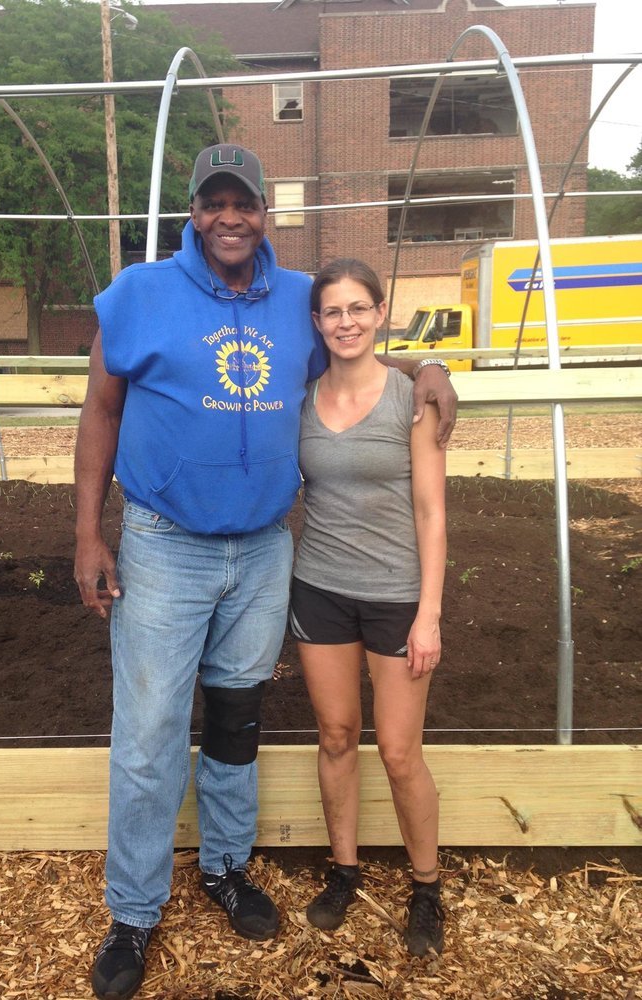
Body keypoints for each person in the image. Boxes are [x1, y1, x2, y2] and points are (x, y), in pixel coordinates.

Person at [73, 144, 456, 1000]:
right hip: (165, 544)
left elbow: (352, 351)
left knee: (238, 717)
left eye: (243, 201)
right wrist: (88, 535)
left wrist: (424, 368)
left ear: (263, 211)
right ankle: (134, 911)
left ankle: (224, 868)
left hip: (263, 549)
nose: (229, 217)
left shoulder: (296, 300)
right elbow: (100, 408)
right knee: (149, 735)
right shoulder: (140, 295)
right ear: (194, 212)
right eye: (214, 203)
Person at [289, 258, 447, 958]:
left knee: (399, 750)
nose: (346, 322)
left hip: (395, 596)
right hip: (320, 587)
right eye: (332, 311)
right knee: (335, 735)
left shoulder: (410, 398)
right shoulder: (302, 397)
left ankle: (426, 885)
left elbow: (431, 512)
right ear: (317, 322)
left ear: (380, 314)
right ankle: (344, 870)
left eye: (358, 308)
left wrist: (429, 614)